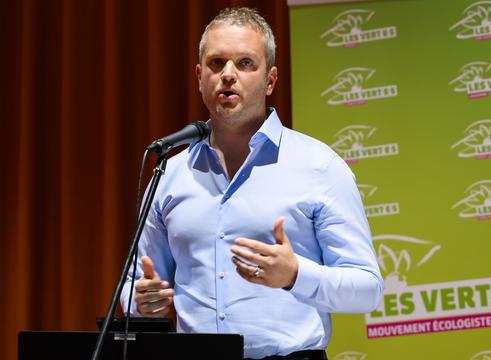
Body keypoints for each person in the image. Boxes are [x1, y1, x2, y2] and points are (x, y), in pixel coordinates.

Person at [121, 7, 383, 360]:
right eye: (216, 64)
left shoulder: (319, 166)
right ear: (200, 77)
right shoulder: (169, 174)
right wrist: (138, 300)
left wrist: (294, 275)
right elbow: (132, 287)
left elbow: (367, 289)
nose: (228, 75)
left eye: (245, 63)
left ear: (271, 80)